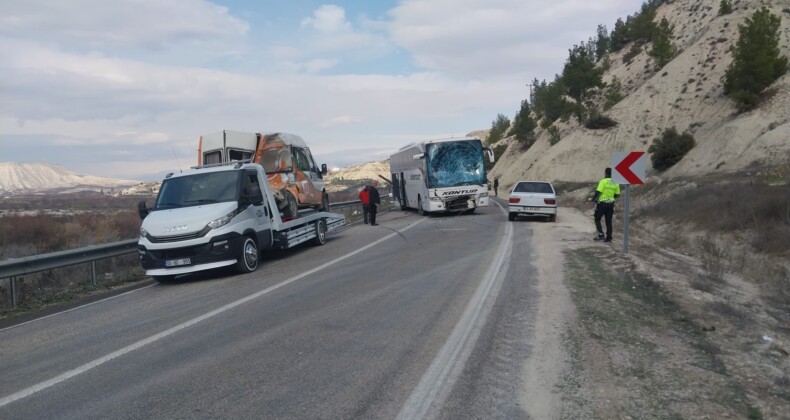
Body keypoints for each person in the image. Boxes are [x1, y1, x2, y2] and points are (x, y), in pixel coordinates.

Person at [591, 167, 621, 242]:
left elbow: (598, 191)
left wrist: (593, 199)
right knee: (608, 221)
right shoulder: (616, 182)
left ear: (605, 173)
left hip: (602, 204)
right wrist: (611, 196)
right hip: (611, 204)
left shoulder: (603, 181)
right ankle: (609, 238)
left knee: (597, 218)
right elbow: (617, 195)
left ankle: (601, 235)